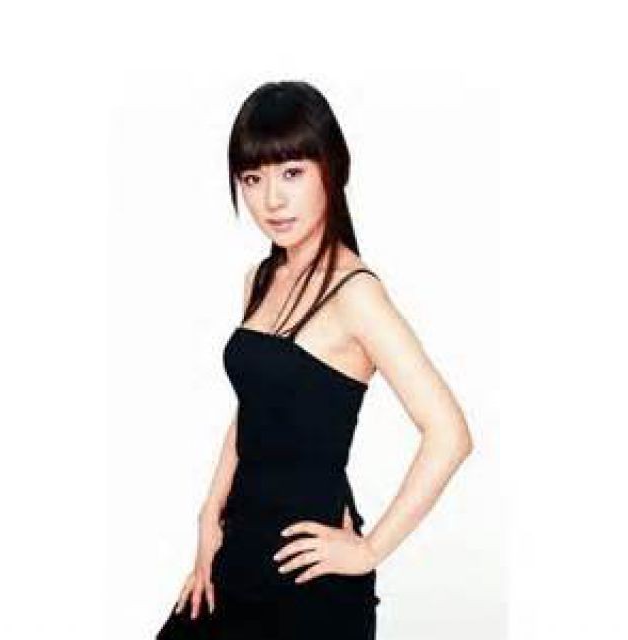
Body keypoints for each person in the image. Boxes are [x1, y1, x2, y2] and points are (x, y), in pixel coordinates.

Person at [156, 80, 473, 639]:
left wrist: (369, 550)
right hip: (237, 549)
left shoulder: (356, 294)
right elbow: (256, 407)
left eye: (292, 173)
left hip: (309, 574)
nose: (271, 200)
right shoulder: (260, 279)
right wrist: (209, 515)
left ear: (332, 168)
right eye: (252, 179)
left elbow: (449, 433)